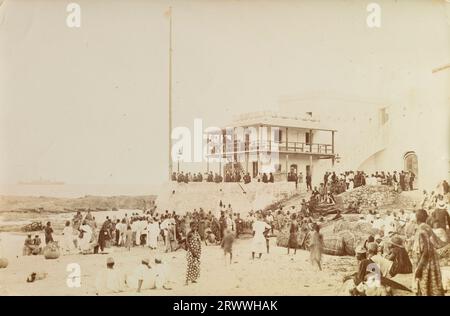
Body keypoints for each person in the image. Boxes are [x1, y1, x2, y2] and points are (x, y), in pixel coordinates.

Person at [412, 209, 444, 296]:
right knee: (432, 286)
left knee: (425, 286)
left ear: (417, 219)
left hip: (425, 264)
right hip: (431, 262)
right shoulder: (427, 228)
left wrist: (419, 268)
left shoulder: (421, 230)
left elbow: (425, 251)